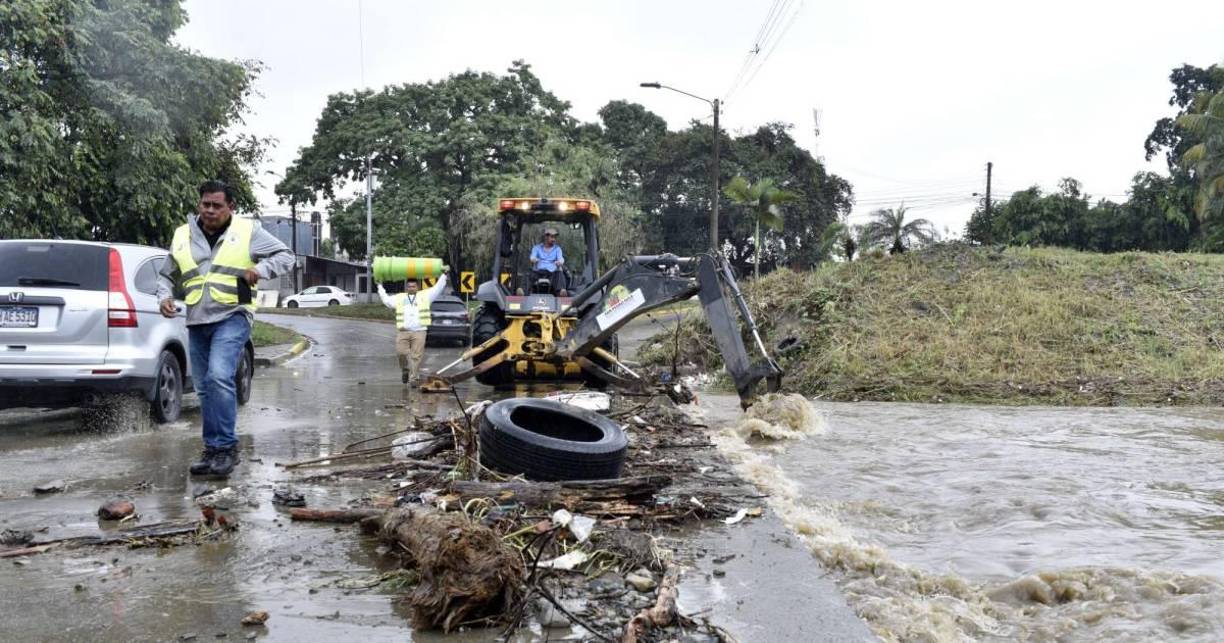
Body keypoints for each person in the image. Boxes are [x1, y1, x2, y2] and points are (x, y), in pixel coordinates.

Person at [157, 180, 294, 478]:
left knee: (220, 376)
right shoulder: (182, 235)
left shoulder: (247, 231)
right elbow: (166, 275)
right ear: (199, 204)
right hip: (197, 319)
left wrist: (260, 270)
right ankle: (213, 449)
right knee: (205, 387)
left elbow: (286, 256)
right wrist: (163, 296)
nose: (209, 210)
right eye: (205, 204)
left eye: (217, 205)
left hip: (234, 314)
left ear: (230, 207)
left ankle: (227, 449)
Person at [378, 269, 449, 385]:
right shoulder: (400, 298)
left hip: (419, 331)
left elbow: (438, 288)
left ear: (418, 287)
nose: (411, 288)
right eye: (409, 286)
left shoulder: (426, 296)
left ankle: (413, 379)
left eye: (413, 286)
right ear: (406, 288)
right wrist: (380, 286)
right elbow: (386, 301)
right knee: (401, 353)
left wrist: (444, 275)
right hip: (403, 331)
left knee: (416, 356)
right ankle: (405, 369)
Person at [529, 227, 567, 295]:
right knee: (528, 274)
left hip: (552, 273)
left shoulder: (557, 249)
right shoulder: (537, 248)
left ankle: (561, 292)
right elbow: (532, 256)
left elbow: (561, 258)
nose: (554, 239)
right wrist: (533, 259)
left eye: (555, 237)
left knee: (559, 274)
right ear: (546, 237)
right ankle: (522, 290)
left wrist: (560, 262)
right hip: (538, 272)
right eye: (552, 237)